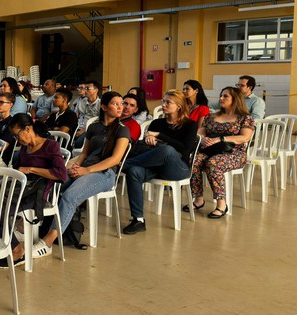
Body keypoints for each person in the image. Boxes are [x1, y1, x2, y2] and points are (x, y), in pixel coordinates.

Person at [36, 92, 130, 254]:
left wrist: (86, 170)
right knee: (50, 185)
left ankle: (48, 242)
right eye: (116, 104)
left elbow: (115, 160)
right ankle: (33, 226)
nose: (121, 107)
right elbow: (85, 153)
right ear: (104, 107)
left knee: (70, 196)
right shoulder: (94, 127)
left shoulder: (122, 130)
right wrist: (75, 166)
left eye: (121, 104)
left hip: (104, 173)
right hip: (85, 168)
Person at [0, 114, 68, 265]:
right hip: (22, 190)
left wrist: (32, 169)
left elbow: (61, 175)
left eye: (17, 135)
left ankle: (17, 250)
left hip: (37, 194)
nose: (16, 140)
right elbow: (18, 170)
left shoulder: (50, 146)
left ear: (27, 129)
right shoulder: (25, 148)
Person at [122, 90, 199, 234]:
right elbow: (147, 145)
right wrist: (149, 140)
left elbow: (185, 150)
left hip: (178, 168)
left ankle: (122, 165)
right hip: (156, 165)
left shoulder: (190, 124)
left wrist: (160, 136)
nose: (163, 104)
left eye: (167, 102)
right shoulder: (157, 123)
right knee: (134, 172)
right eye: (163, 101)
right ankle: (138, 220)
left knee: (168, 151)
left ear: (179, 106)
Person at [188, 87, 255, 218]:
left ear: (235, 99)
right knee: (194, 160)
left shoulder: (245, 118)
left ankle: (221, 204)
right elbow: (201, 131)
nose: (221, 98)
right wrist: (203, 139)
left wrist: (220, 139)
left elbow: (245, 137)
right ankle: (198, 199)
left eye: (225, 96)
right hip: (210, 149)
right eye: (221, 96)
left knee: (213, 164)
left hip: (234, 153)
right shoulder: (211, 116)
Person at [72, 80, 101, 148]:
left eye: (87, 88)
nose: (85, 90)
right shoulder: (81, 101)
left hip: (90, 130)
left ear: (96, 90)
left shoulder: (100, 104)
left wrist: (84, 130)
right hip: (78, 126)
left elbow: (99, 121)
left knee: (78, 143)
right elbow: (75, 115)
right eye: (85, 88)